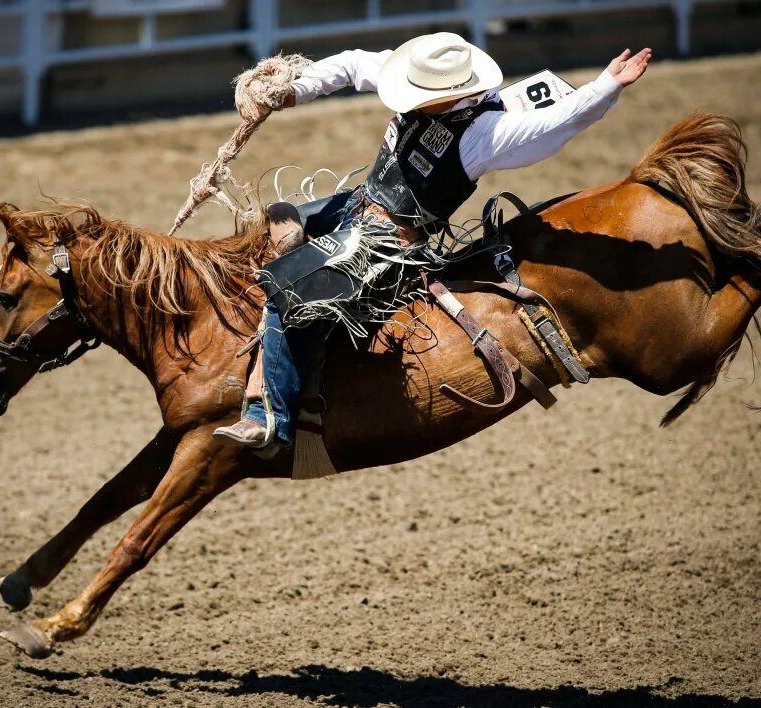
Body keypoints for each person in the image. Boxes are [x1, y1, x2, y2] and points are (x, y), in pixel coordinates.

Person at [214, 33, 651, 448]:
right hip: (359, 204)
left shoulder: (485, 134)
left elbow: (557, 120)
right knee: (275, 221)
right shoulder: (416, 81)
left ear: (454, 91)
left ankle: (270, 416)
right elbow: (351, 64)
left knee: (294, 291)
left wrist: (606, 85)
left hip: (388, 239)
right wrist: (296, 90)